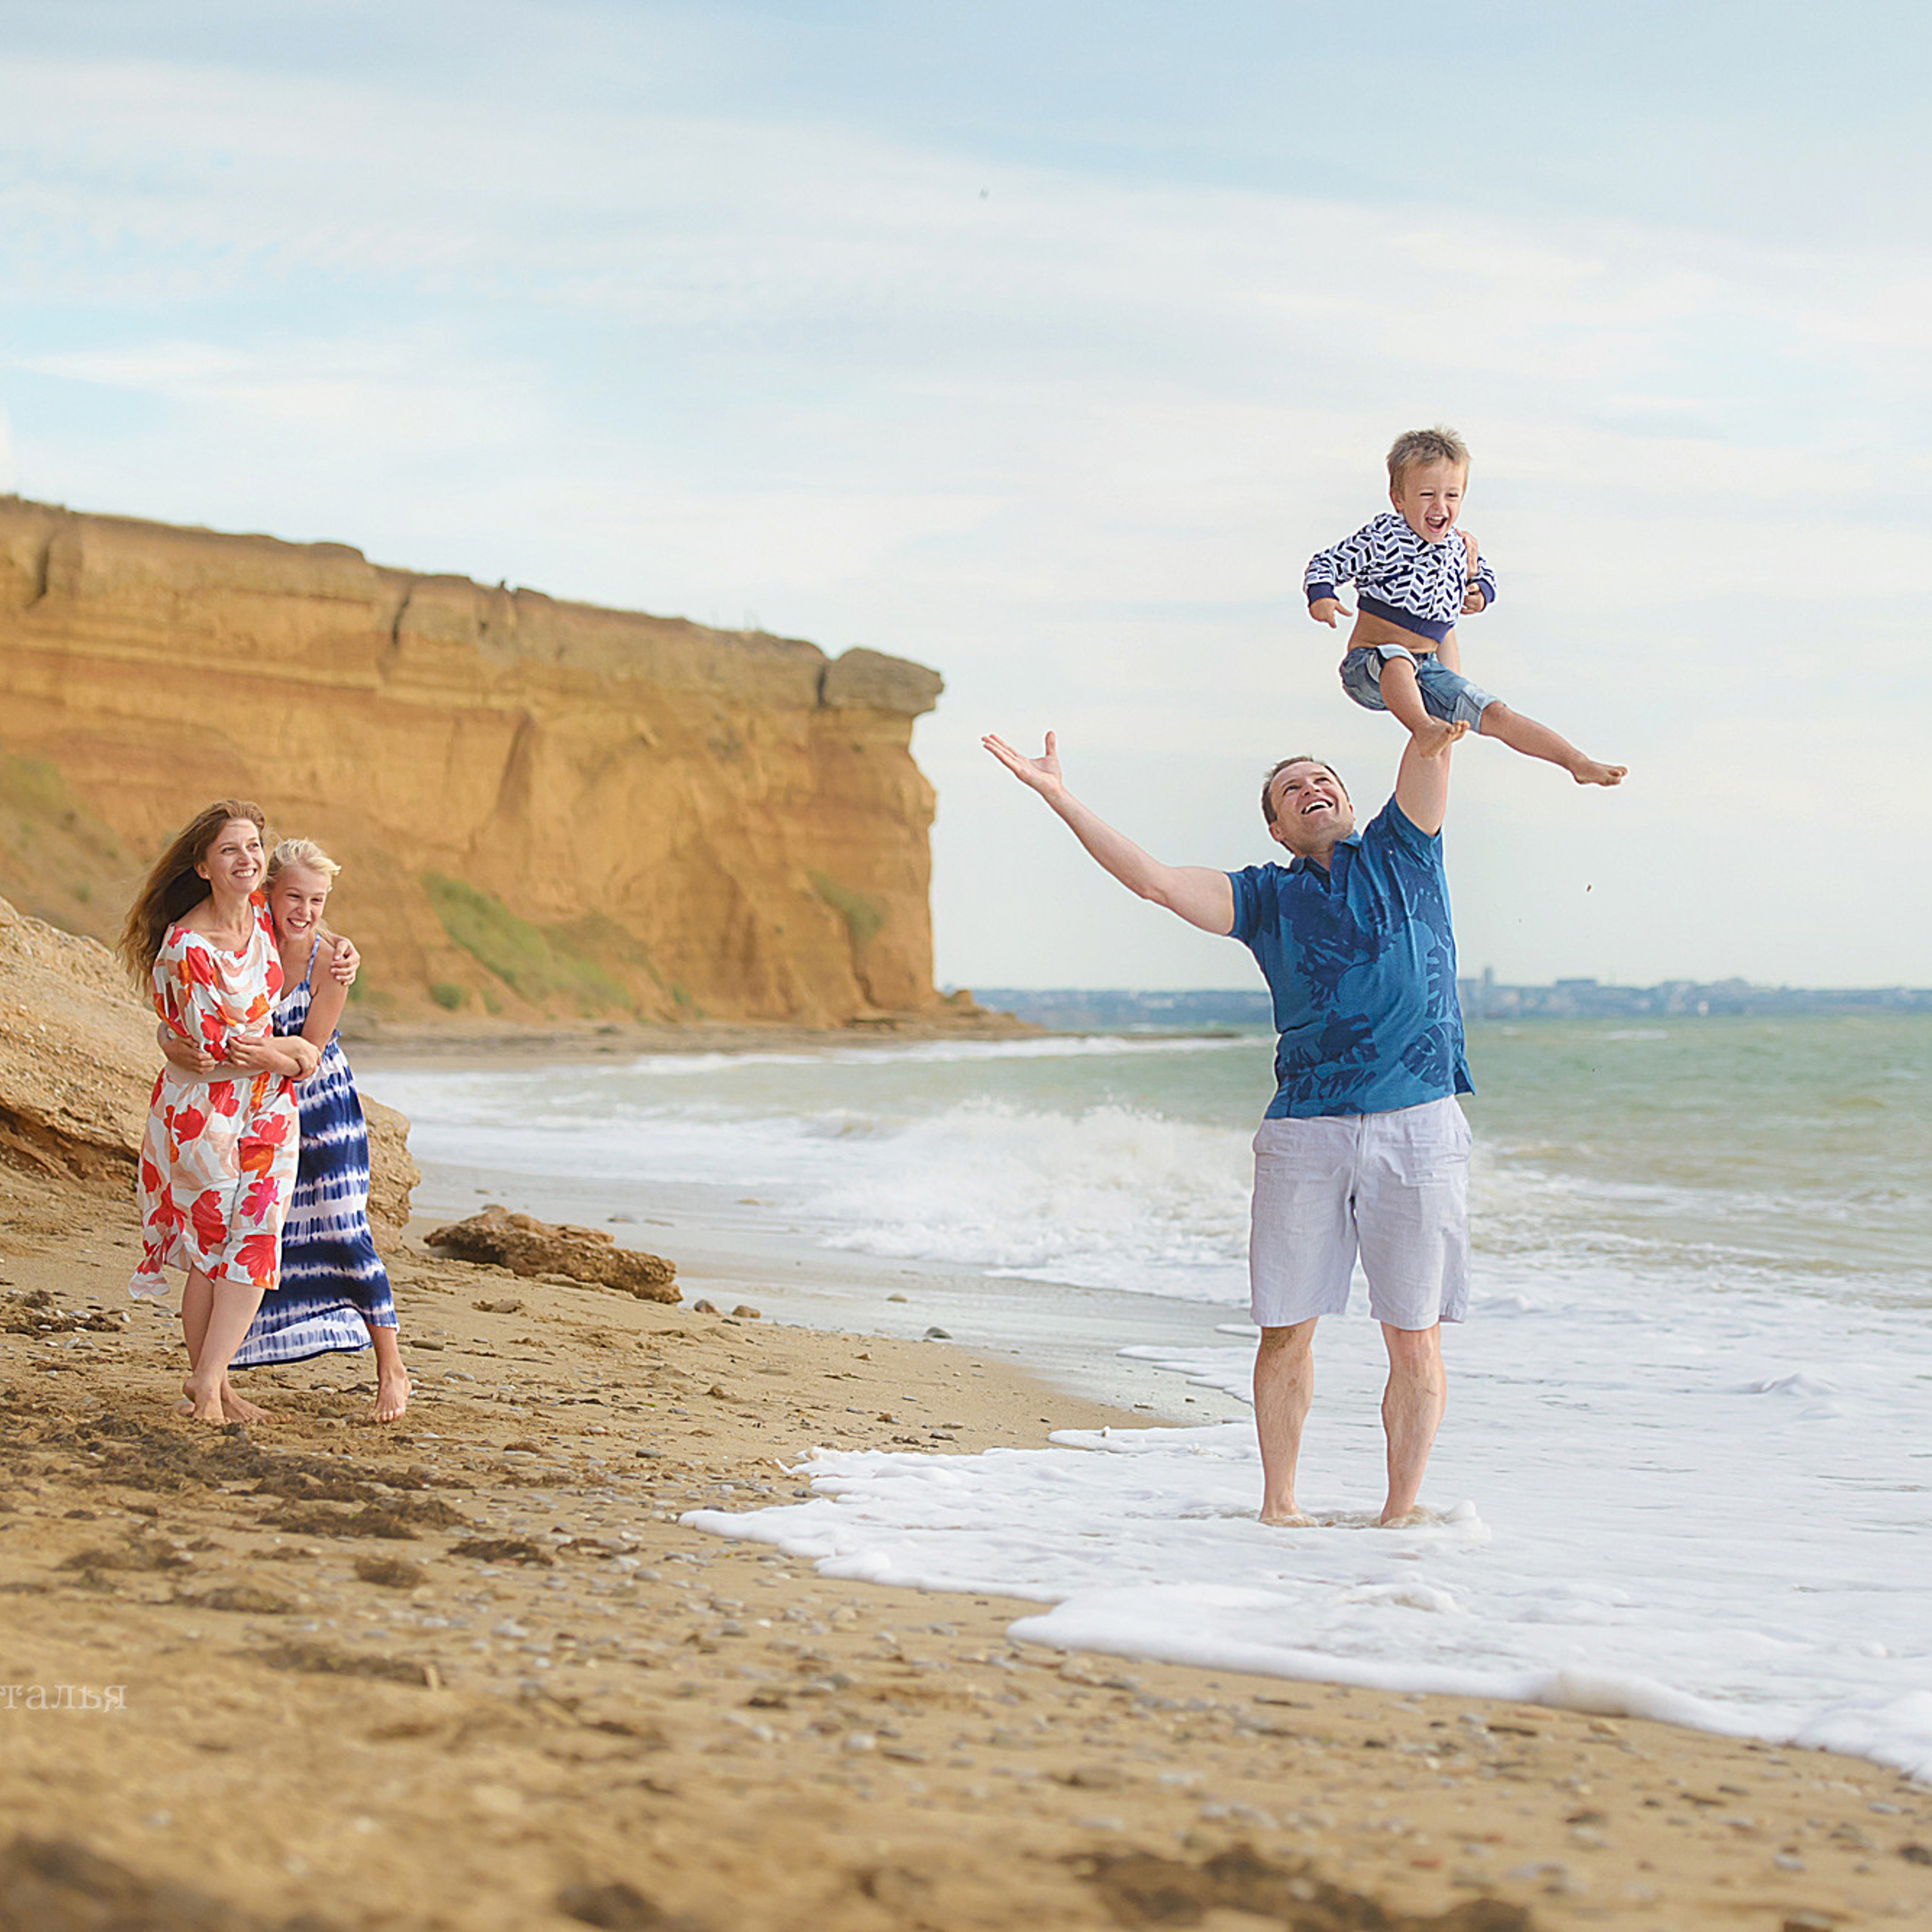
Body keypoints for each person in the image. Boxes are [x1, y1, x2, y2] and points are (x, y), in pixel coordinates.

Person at [982, 724, 1472, 1525]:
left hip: (1418, 1120)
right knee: (1284, 1331)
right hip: (1304, 1130)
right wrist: (1059, 795)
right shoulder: (1264, 897)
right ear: (1276, 828)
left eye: (1325, 780)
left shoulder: (1406, 852)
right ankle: (1279, 1507)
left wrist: (1430, 635)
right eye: (1291, 789)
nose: (1313, 788)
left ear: (1349, 802)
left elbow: (1432, 739)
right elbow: (1156, 882)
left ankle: (1399, 1516)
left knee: (1413, 1335)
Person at [159, 838, 408, 1422]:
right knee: (240, 1240)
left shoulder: (332, 960)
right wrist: (175, 1044)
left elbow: (309, 1055)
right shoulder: (250, 944)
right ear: (267, 892)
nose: (305, 910)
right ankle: (213, 1384)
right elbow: (192, 1018)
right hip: (251, 1106)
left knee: (347, 1230)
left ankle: (391, 1369)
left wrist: (257, 1052)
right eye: (294, 895)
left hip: (319, 1109)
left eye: (318, 900)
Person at [120, 801, 316, 1424]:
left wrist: (345, 958)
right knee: (212, 1253)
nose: (247, 860)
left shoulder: (263, 913)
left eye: (254, 847)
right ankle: (210, 1386)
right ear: (202, 866)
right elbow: (212, 1055)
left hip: (268, 1110)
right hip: (204, 1115)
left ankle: (210, 1381)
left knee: (254, 1247)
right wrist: (293, 1053)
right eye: (230, 850)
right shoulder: (187, 946)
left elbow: (317, 935)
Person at [1306, 424, 1626, 787]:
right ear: (1398, 498)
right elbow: (1327, 562)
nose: (1440, 507)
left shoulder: (1461, 546)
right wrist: (1323, 595)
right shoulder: (1384, 536)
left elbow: (1486, 578)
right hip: (1369, 666)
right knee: (1396, 658)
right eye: (1427, 494)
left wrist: (1479, 593)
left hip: (1427, 673)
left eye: (1452, 496)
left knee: (1497, 713)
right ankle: (1425, 727)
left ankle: (1576, 763)